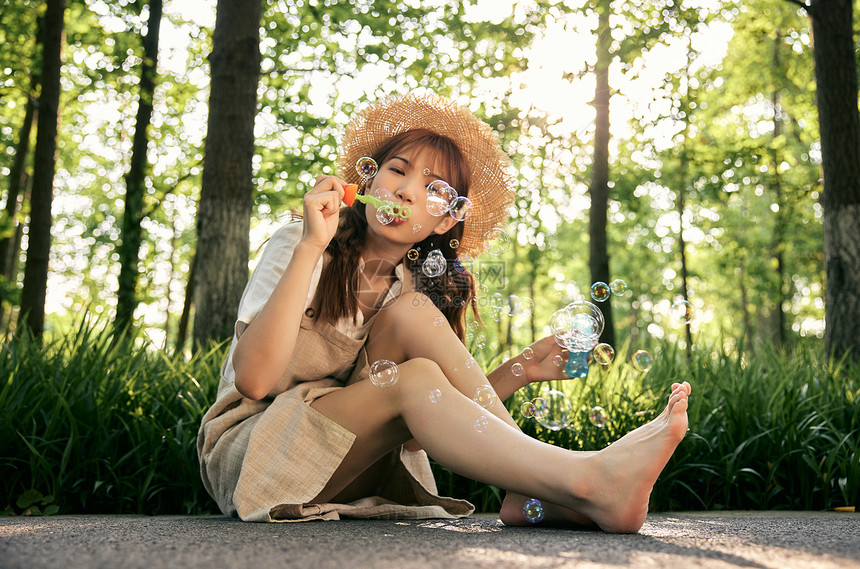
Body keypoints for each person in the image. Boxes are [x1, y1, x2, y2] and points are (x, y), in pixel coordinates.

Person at [196, 92, 691, 532]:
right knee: (409, 375)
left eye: (433, 188)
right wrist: (310, 246)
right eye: (397, 170)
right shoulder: (302, 245)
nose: (408, 191)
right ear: (367, 179)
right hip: (256, 454)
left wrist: (518, 370)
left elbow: (423, 419)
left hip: (343, 458)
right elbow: (256, 383)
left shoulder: (412, 288)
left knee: (412, 329)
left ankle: (537, 486)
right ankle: (582, 480)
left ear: (447, 219)